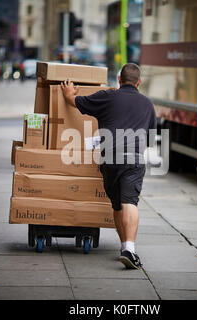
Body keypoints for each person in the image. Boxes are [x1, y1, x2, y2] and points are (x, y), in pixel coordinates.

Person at [61, 63, 156, 269]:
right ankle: (129, 249)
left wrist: (68, 92)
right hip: (133, 158)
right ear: (139, 83)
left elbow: (73, 102)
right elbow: (149, 139)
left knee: (116, 204)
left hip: (110, 158)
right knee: (129, 201)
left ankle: (124, 247)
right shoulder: (148, 104)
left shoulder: (107, 96)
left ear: (119, 80)